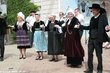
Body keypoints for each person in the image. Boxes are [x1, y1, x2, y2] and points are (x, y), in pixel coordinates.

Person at [83, 4, 109, 73]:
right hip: (91, 39)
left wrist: (107, 28)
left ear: (98, 10)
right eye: (92, 10)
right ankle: (90, 69)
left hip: (98, 39)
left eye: (94, 10)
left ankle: (100, 69)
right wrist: (81, 26)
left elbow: (106, 27)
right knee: (89, 54)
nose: (92, 11)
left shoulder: (103, 17)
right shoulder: (92, 18)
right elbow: (89, 27)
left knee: (99, 55)